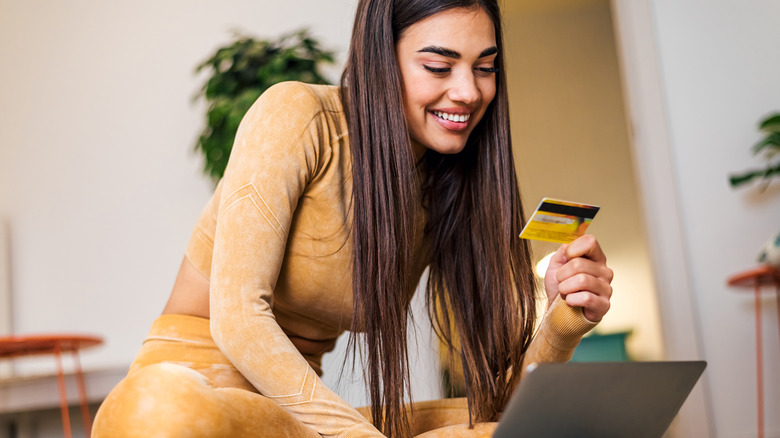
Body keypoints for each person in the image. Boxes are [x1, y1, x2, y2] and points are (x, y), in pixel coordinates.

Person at [92, 0, 614, 437]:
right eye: (439, 66)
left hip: (294, 419)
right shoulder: (298, 117)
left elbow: (508, 406)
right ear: (379, 61)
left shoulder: (449, 187)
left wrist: (564, 321)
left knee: (513, 427)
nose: (468, 92)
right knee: (163, 410)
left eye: (484, 66)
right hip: (191, 395)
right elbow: (238, 319)